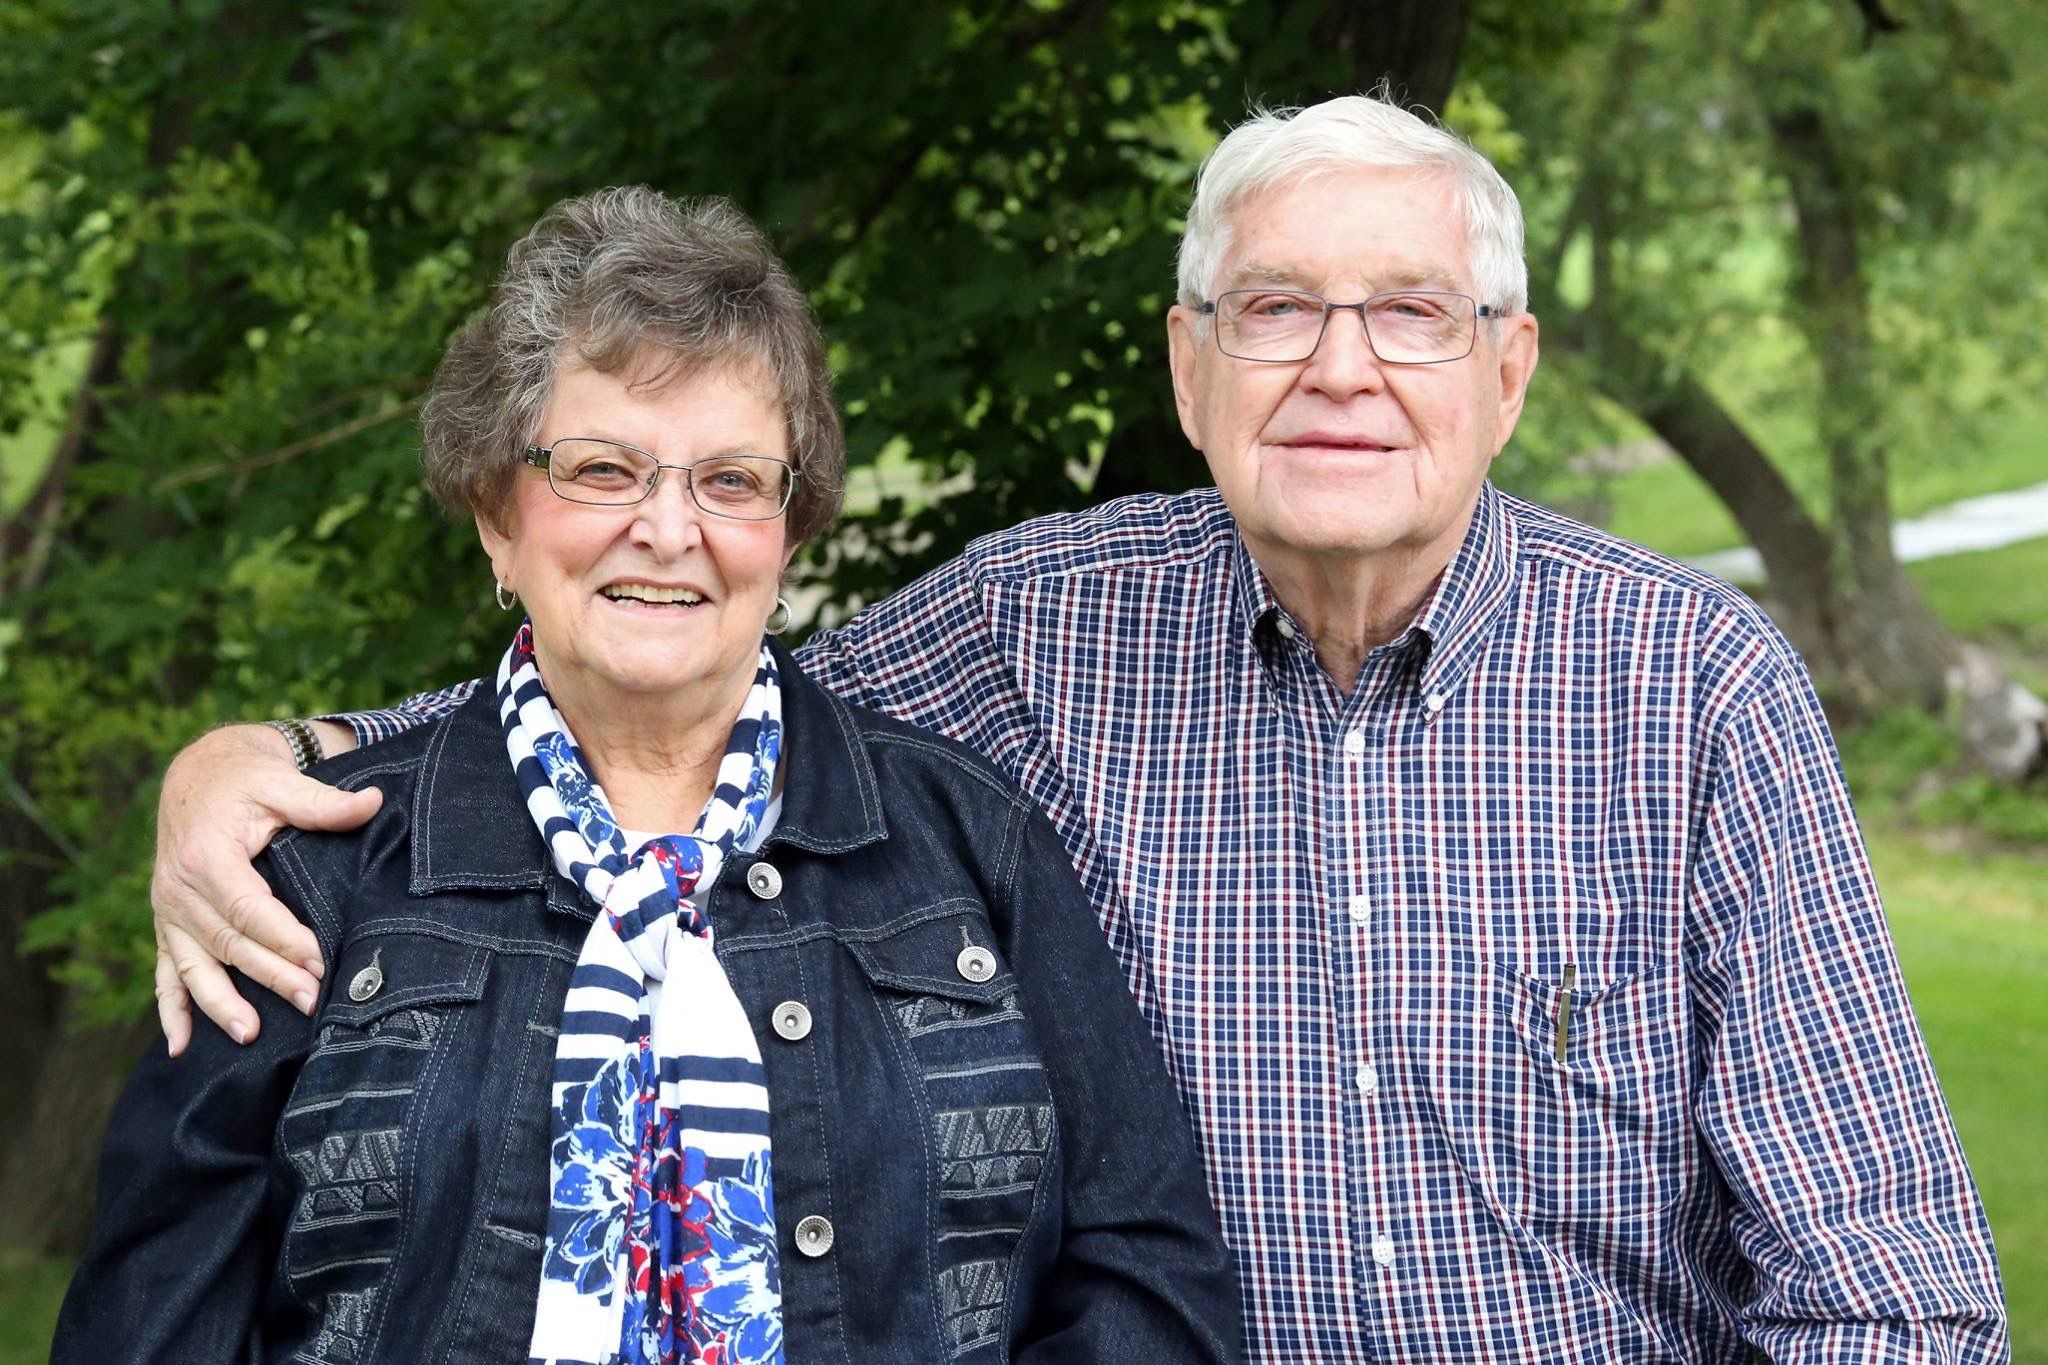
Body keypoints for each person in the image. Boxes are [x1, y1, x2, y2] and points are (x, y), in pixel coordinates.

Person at [147, 96, 2010, 1361]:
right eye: (1272, 308)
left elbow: (1886, 1296)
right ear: (1189, 366)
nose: (1337, 368)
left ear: (1506, 368)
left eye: (1412, 316)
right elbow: (668, 661)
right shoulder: (1041, 633)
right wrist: (271, 764)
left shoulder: (1690, 695)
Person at [56, 187, 1241, 1365]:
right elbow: (154, 1322)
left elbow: (1145, 1275)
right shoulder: (315, 873)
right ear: (495, 514)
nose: (669, 529)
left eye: (730, 481)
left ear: (790, 532)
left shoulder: (966, 843)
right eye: (603, 470)